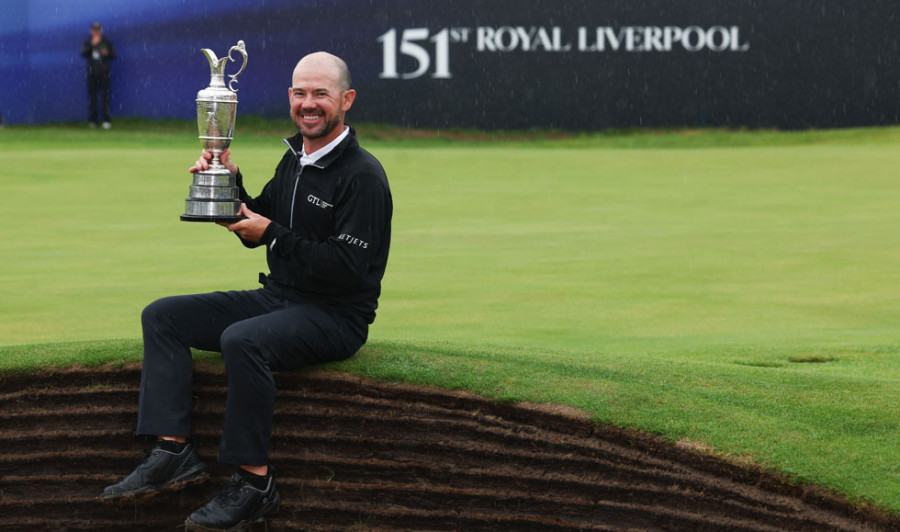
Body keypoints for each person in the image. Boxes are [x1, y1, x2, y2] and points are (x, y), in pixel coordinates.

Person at [101, 52, 392, 531]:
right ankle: (172, 451)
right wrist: (225, 185)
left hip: (336, 316)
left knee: (243, 339)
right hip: (280, 297)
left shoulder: (363, 175)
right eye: (300, 93)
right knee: (162, 316)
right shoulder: (295, 157)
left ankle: (254, 483)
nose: (308, 103)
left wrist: (271, 234)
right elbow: (259, 216)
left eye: (320, 93)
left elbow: (349, 267)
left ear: (347, 100)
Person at [81, 22, 115, 129]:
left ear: (101, 31)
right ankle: (93, 121)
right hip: (92, 73)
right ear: (91, 31)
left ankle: (106, 120)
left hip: (104, 72)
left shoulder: (106, 42)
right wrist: (93, 45)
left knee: (105, 97)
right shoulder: (88, 42)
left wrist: (107, 53)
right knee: (92, 98)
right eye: (94, 30)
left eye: (98, 30)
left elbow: (113, 54)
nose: (96, 32)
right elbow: (84, 53)